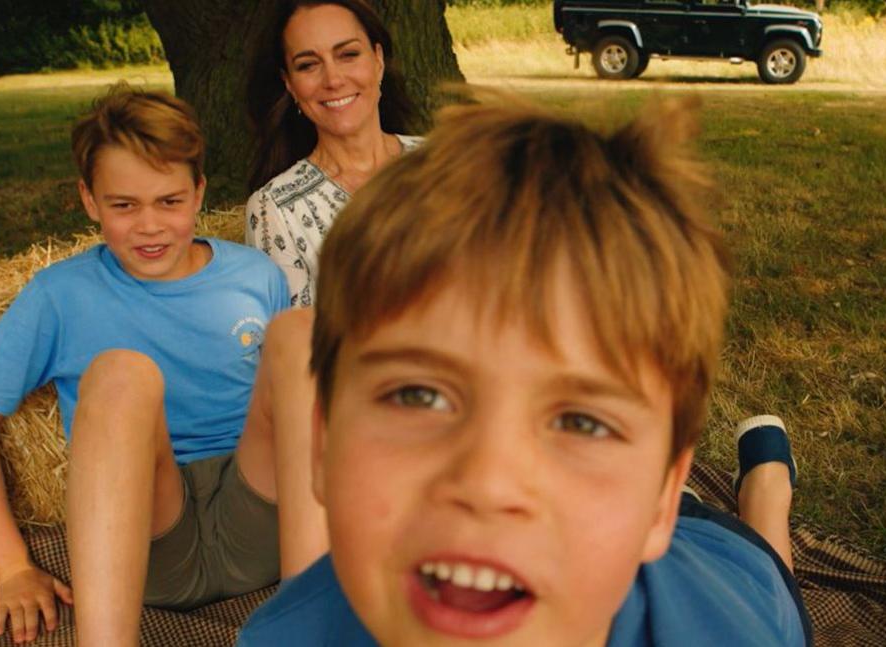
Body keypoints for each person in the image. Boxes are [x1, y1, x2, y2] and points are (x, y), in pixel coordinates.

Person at [237, 94, 813, 645]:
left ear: (661, 498)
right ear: (320, 444)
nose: (488, 484)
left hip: (733, 569)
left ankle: (765, 495)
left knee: (767, 560)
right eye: (417, 395)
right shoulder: (279, 636)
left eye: (582, 421)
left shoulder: (737, 630)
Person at [0, 85, 292, 646]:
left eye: (169, 201)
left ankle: (322, 607)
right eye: (124, 205)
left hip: (265, 523)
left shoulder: (255, 276)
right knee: (123, 372)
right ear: (89, 200)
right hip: (149, 539)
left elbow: (294, 409)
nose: (149, 226)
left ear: (199, 192)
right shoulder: (59, 295)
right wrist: (11, 566)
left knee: (300, 337)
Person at [243, 0, 421, 308]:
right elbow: (296, 345)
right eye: (308, 65)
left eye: (348, 55)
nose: (333, 79)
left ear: (378, 61)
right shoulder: (275, 209)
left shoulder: (447, 161)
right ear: (290, 84)